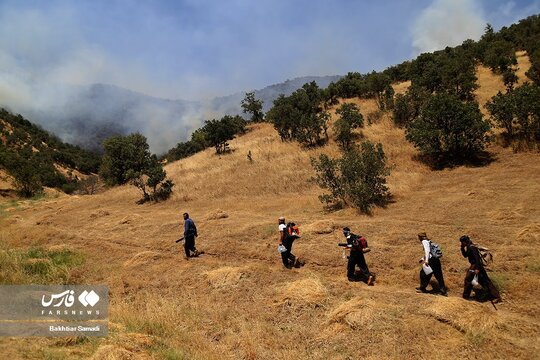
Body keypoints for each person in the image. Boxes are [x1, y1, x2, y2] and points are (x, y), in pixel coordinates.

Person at [460, 235, 500, 302]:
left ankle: (465, 297)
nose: (461, 243)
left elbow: (477, 259)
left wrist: (477, 269)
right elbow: (465, 255)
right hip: (475, 265)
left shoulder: (472, 248)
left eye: (462, 242)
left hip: (476, 265)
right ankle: (493, 295)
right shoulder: (469, 247)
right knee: (484, 281)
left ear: (465, 241)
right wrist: (462, 248)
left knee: (468, 279)